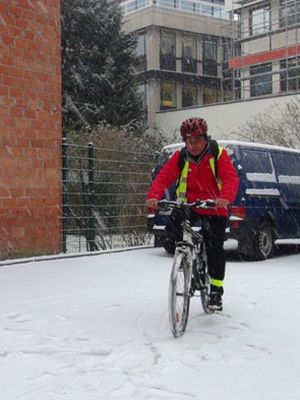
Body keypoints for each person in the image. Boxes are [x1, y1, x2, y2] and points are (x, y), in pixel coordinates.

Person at [146, 117, 239, 311]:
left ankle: (215, 291)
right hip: (190, 205)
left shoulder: (217, 154)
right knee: (172, 225)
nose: (192, 145)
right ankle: (185, 256)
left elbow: (230, 179)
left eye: (196, 140)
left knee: (215, 247)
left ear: (205, 138)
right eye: (188, 141)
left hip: (214, 207)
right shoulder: (181, 156)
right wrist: (154, 196)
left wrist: (224, 198)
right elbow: (164, 176)